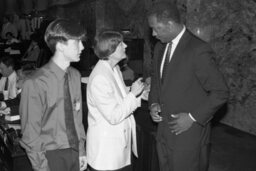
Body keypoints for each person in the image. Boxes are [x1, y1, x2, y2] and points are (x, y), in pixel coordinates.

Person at [147, 2, 229, 171]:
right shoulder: (159, 47)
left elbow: (220, 92)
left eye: (156, 28)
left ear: (170, 24)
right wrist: (153, 103)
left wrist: (192, 117)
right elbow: (157, 80)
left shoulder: (198, 49)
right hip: (163, 132)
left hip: (188, 136)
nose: (153, 34)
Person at [19, 19, 87, 171]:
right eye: (77, 42)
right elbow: (31, 134)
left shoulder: (75, 76)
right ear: (61, 46)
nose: (82, 47)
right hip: (49, 155)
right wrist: (42, 167)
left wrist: (81, 150)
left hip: (74, 150)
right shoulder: (36, 83)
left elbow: (77, 118)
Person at [86, 30, 145, 171]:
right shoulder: (100, 77)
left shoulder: (114, 68)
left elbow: (121, 97)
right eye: (120, 44)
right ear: (110, 50)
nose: (125, 46)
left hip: (117, 145)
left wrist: (141, 93)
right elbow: (114, 116)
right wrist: (133, 94)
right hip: (106, 152)